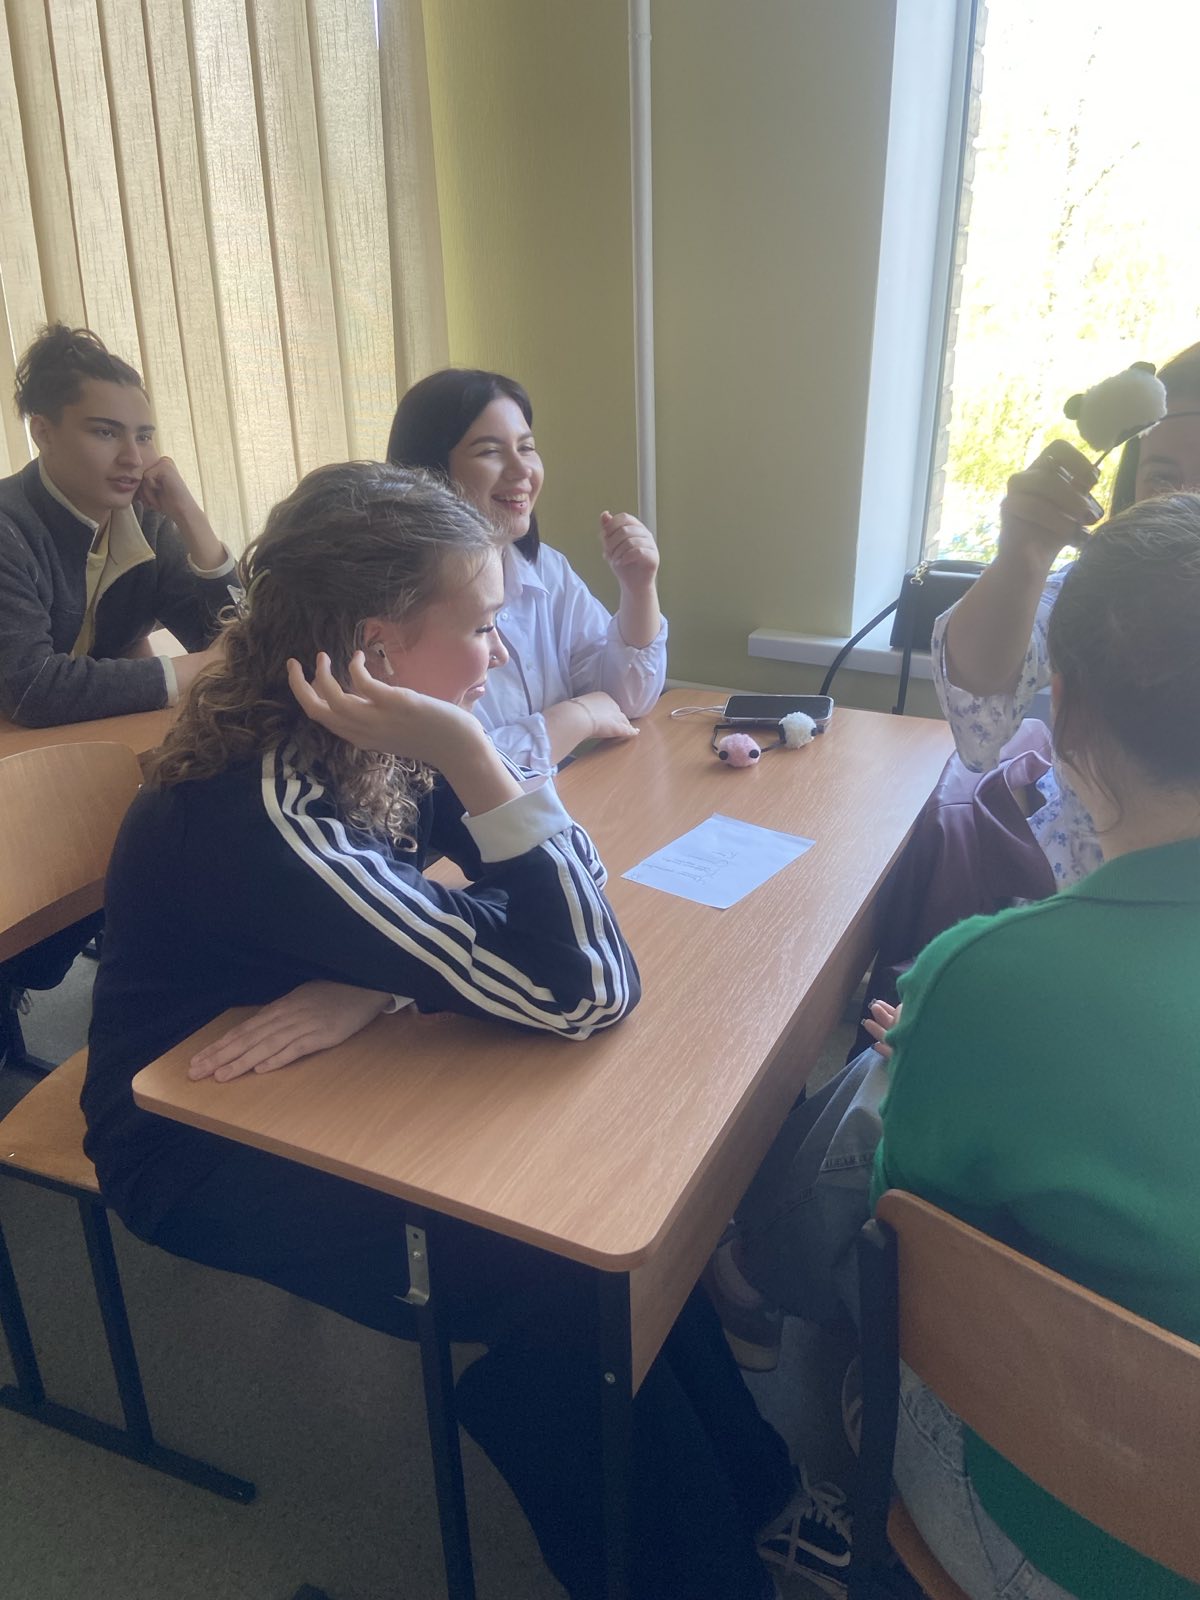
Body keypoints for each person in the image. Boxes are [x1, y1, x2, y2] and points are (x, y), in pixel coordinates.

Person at [81, 461, 834, 1600]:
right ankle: (702, 1568)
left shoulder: (367, 728)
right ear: (378, 647)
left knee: (609, 1225)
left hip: (329, 1071)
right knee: (562, 1278)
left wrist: (380, 983)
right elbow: (588, 987)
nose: (500, 651)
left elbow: (559, 913)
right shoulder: (271, 808)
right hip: (195, 1136)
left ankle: (759, 1499)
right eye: (480, 626)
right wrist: (477, 770)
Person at [730, 494, 1200, 1600]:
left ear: (1062, 706)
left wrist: (935, 1041)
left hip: (1074, 1541)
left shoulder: (983, 974)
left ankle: (812, 1415)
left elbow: (911, 1234)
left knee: (859, 1191)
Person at [933, 339, 1200, 886]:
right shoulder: (1098, 594)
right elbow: (979, 715)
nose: (1186, 499)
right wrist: (1022, 556)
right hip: (1086, 906)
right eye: (1162, 476)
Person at [387, 368, 667, 771]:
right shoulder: (405, 601)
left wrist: (639, 589)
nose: (522, 471)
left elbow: (627, 702)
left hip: (556, 799)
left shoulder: (545, 568)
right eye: (490, 451)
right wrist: (572, 719)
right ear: (431, 470)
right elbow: (443, 769)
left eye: (527, 448)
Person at [0, 322, 236, 729]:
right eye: (106, 432)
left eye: (143, 437)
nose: (133, 458)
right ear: (43, 433)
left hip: (85, 742)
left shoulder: (147, 521)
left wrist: (190, 517)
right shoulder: (9, 528)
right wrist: (204, 665)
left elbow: (244, 641)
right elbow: (32, 689)